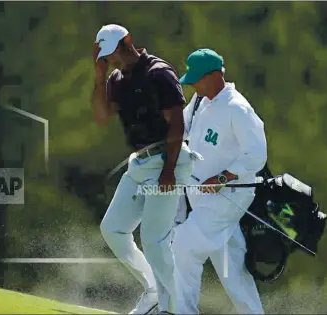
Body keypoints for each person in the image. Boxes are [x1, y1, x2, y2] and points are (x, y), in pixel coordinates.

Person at [92, 24, 194, 315]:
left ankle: (171, 308)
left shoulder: (158, 73)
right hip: (140, 163)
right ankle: (153, 290)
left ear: (128, 41)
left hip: (168, 160)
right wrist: (99, 80)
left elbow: (176, 123)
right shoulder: (115, 80)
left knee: (154, 239)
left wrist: (169, 171)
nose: (115, 59)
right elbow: (101, 117)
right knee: (112, 229)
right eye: (108, 57)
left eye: (116, 51)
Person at [171, 48, 267, 314]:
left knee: (182, 246)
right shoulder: (202, 100)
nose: (194, 86)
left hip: (228, 197)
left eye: (197, 80)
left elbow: (257, 155)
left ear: (215, 76)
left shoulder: (237, 108)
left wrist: (223, 177)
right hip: (203, 200)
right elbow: (185, 127)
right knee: (231, 269)